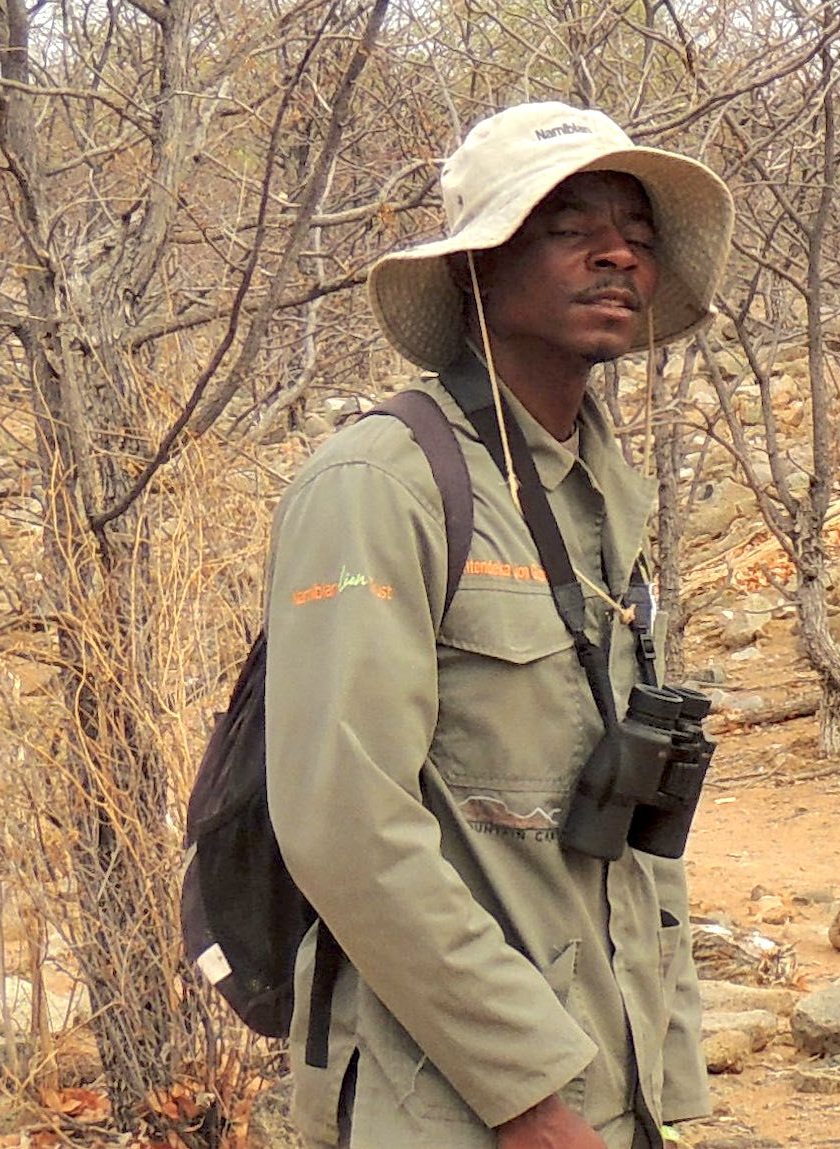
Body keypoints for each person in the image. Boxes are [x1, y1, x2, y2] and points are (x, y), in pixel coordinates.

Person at [264, 102, 733, 1149]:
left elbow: (622, 813)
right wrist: (525, 1093)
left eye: (641, 235)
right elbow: (345, 824)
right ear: (478, 264)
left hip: (598, 1079)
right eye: (569, 225)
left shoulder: (603, 492)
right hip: (440, 1099)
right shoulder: (381, 483)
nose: (619, 253)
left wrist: (662, 1071)